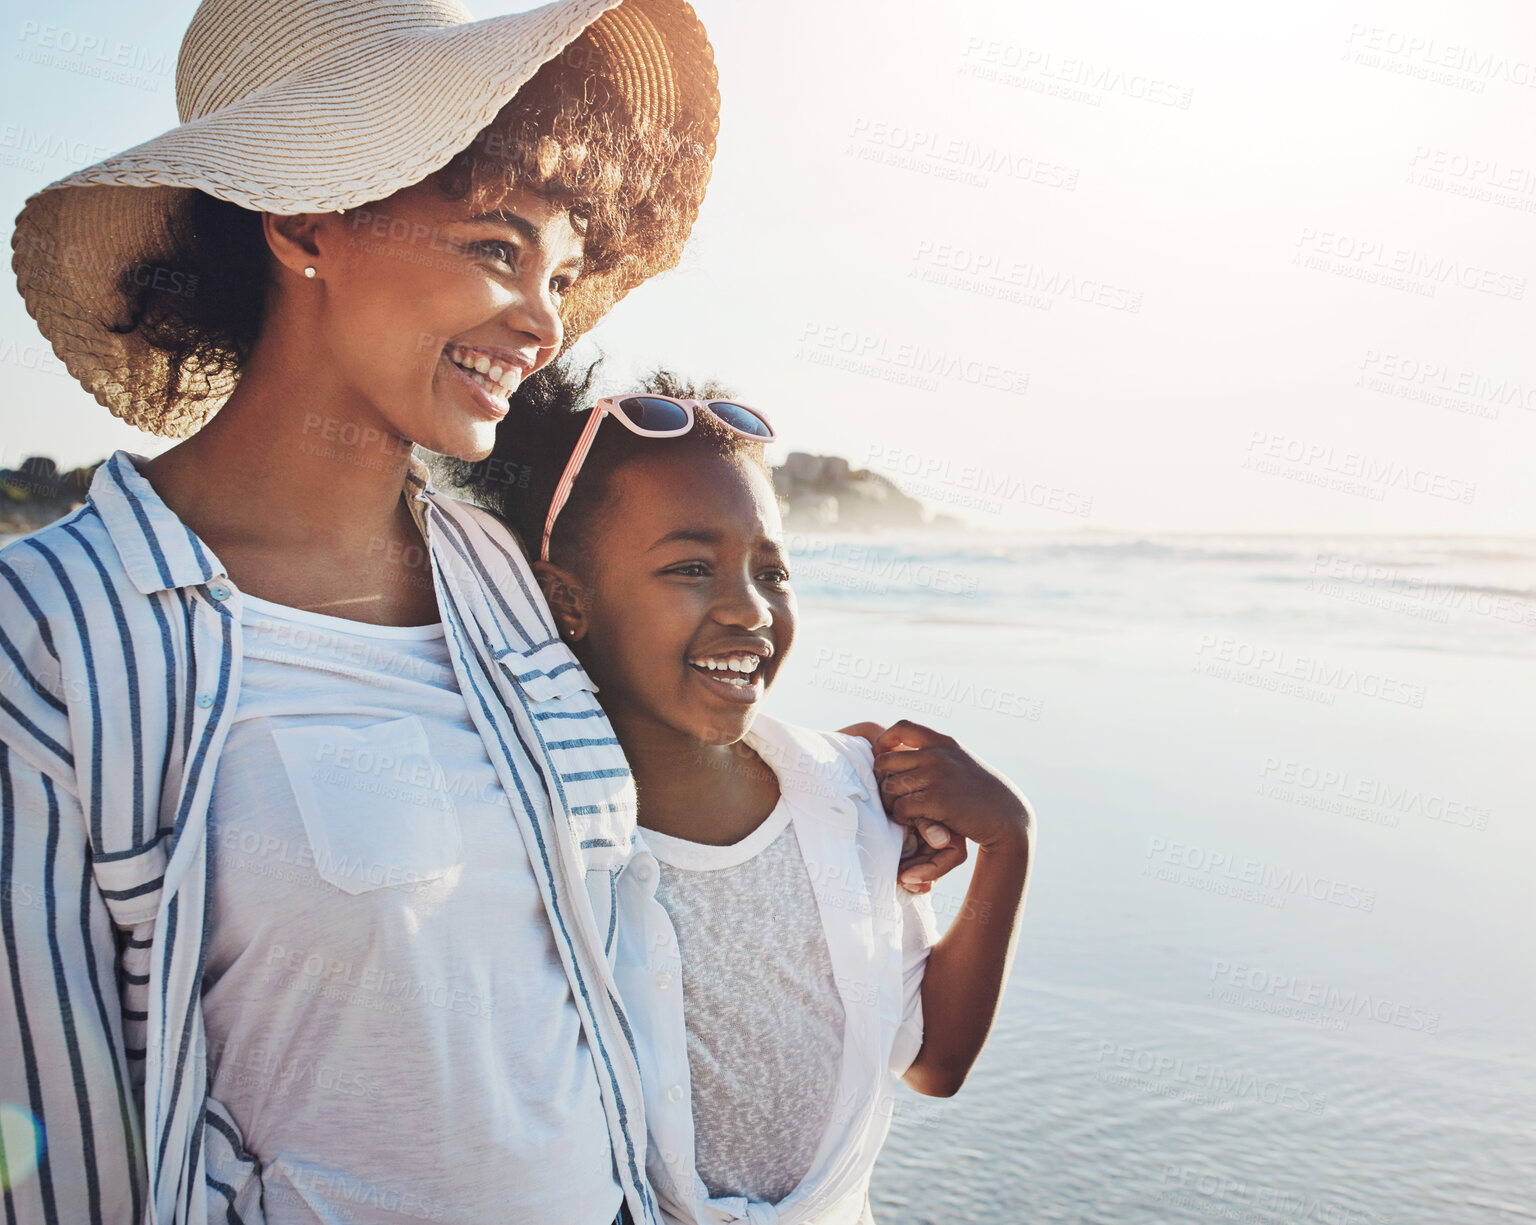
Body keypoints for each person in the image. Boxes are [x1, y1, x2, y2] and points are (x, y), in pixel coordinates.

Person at [1, 1, 732, 1220]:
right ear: (302, 220)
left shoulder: (500, 579)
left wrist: (850, 804)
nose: (546, 321)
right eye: (497, 249)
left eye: (557, 272)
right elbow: (53, 1146)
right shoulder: (57, 635)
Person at [464, 375, 1034, 1223]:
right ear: (567, 600)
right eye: (692, 567)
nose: (749, 608)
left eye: (772, 569)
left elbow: (934, 1061)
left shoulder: (846, 798)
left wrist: (1009, 841)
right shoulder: (531, 833)